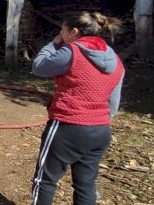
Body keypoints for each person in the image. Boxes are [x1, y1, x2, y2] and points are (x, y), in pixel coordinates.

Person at [30, 11, 125, 205]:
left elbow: (39, 66)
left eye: (62, 31)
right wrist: (100, 120)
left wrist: (55, 44)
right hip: (100, 131)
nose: (60, 34)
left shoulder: (72, 51)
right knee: (86, 185)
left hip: (68, 127)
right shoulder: (113, 57)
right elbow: (114, 101)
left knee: (45, 180)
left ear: (73, 31)